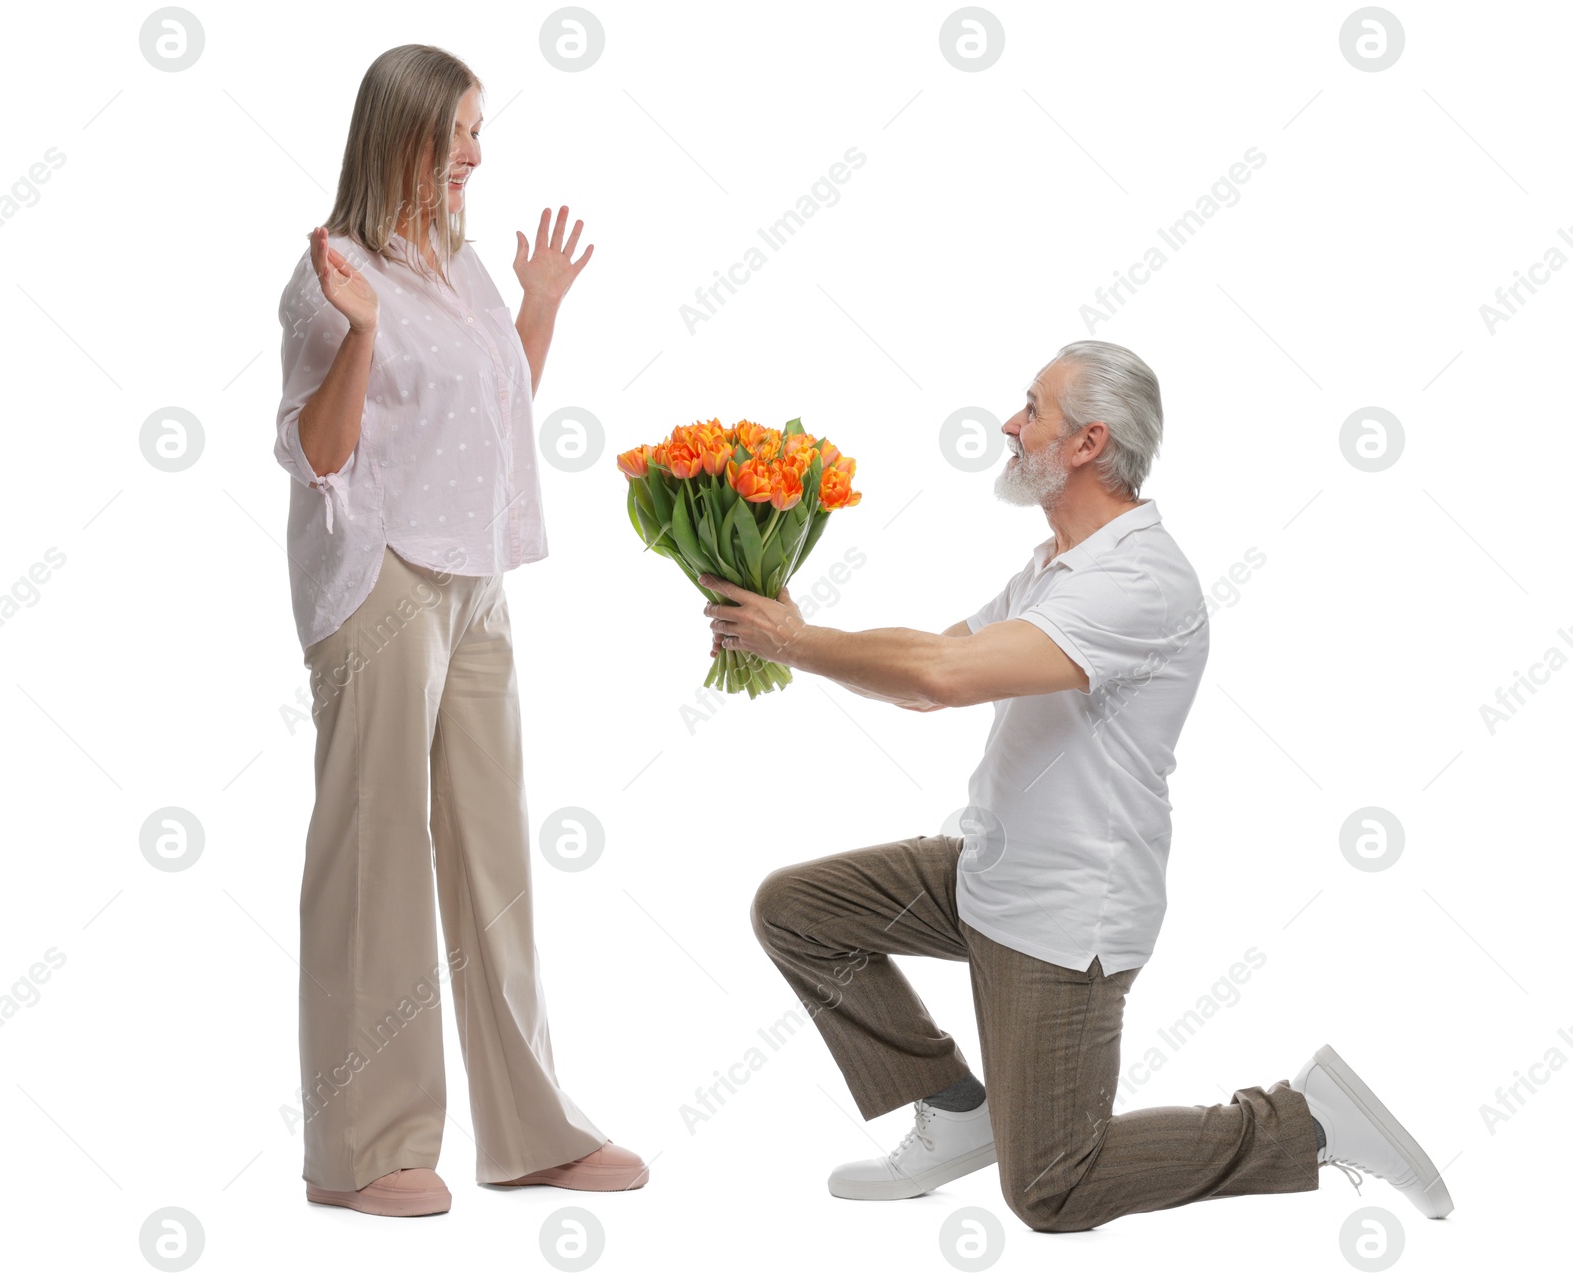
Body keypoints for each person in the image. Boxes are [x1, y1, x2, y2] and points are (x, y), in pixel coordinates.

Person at [708, 340, 1452, 1230]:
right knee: (799, 909)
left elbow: (940, 677)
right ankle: (952, 1110)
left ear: (1090, 442)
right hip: (988, 873)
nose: (1008, 425)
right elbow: (932, 671)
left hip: (1064, 919)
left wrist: (793, 639)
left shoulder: (1137, 578)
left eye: (1031, 410)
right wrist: (784, 626)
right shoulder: (1053, 565)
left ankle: (1308, 1122)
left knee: (1053, 1189)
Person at [274, 43, 646, 1217]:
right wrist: (363, 335)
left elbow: (495, 416)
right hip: (380, 575)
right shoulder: (333, 269)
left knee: (492, 853)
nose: (478, 154)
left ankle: (530, 1128)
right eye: (462, 134)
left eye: (481, 131)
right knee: (375, 858)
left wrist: (534, 311)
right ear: (405, 135)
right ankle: (362, 1144)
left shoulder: (463, 269)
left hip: (476, 573)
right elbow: (319, 451)